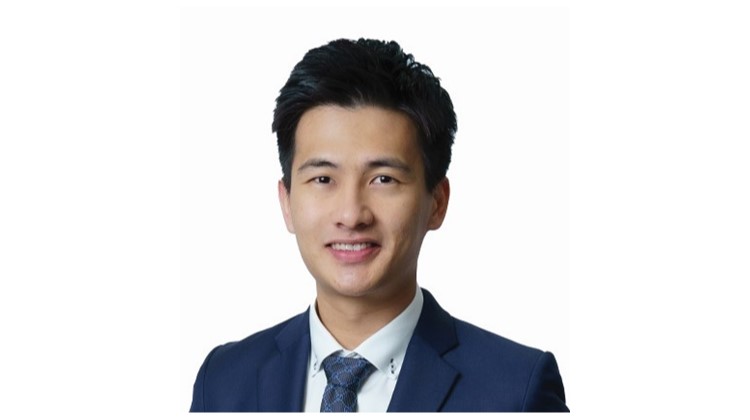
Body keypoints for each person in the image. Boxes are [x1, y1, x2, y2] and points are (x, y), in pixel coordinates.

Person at [189, 38, 569, 412]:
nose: (351, 215)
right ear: (286, 202)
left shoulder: (516, 391)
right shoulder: (223, 381)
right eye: (323, 179)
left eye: (383, 179)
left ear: (437, 203)